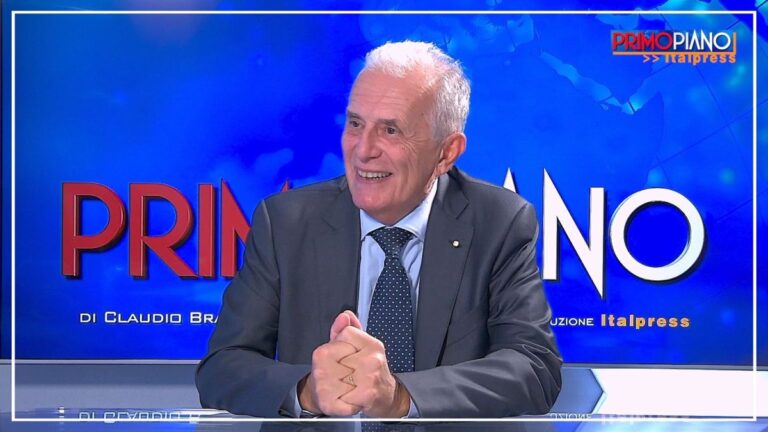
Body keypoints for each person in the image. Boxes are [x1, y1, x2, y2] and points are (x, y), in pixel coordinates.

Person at [196, 40, 561, 418]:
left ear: (446, 152)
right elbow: (222, 369)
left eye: (391, 130)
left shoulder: (499, 222)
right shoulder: (285, 223)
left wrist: (400, 397)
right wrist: (307, 391)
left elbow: (534, 368)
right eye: (356, 124)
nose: (363, 150)